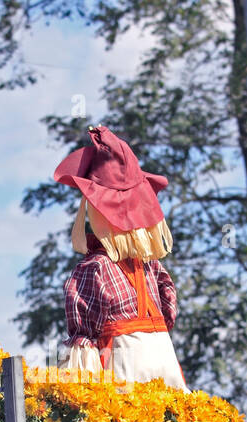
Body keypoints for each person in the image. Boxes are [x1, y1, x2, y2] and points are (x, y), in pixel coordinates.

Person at [54, 125, 187, 389]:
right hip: (166, 378)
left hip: (122, 387)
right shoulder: (152, 267)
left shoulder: (94, 269)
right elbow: (168, 315)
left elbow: (85, 343)